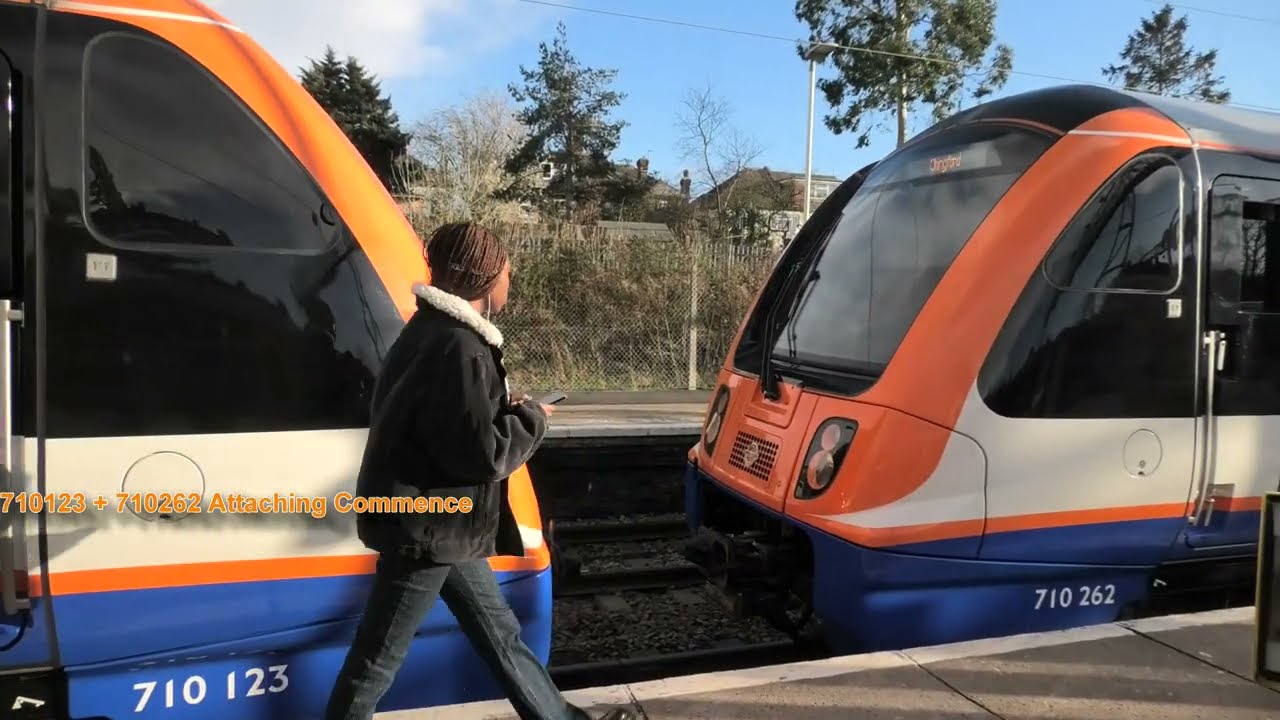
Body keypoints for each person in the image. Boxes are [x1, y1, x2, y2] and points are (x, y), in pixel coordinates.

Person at [324, 223, 636, 720]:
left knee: (500, 635)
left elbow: (446, 423)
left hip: (440, 523)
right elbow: (483, 454)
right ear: (486, 279)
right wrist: (531, 419)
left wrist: (502, 408)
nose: (511, 282)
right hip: (429, 525)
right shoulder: (461, 347)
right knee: (378, 658)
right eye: (508, 273)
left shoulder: (428, 331)